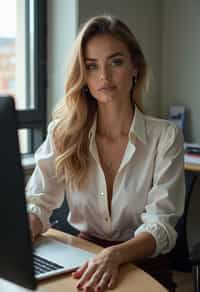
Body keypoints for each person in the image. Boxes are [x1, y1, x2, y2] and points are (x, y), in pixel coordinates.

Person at [26, 15, 185, 292]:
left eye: (116, 62)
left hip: (144, 263)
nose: (104, 76)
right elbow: (39, 201)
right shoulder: (64, 133)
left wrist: (115, 255)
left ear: (135, 67)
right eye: (91, 66)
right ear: (83, 75)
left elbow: (161, 225)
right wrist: (22, 233)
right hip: (83, 257)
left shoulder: (165, 137)